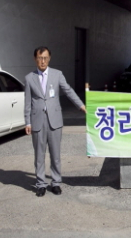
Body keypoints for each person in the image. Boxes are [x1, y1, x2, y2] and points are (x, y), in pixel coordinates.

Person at [24, 46, 86, 197]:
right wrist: (27, 122)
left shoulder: (57, 74)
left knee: (55, 154)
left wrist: (81, 105)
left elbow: (68, 90)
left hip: (55, 120)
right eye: (40, 58)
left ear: (49, 58)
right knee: (39, 155)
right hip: (37, 120)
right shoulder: (29, 78)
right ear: (35, 59)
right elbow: (27, 102)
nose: (42, 61)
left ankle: (56, 182)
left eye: (45, 58)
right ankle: (40, 184)